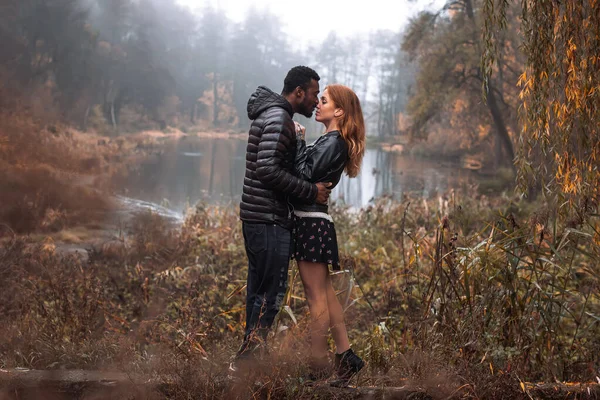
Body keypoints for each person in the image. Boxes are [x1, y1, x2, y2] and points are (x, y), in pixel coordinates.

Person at [234, 66, 332, 368]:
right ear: (299, 92)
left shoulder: (276, 117)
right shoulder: (279, 119)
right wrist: (310, 191)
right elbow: (267, 169)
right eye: (315, 94)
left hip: (259, 218)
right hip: (268, 220)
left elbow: (269, 166)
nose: (316, 102)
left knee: (259, 293)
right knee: (270, 294)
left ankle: (246, 362)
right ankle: (248, 363)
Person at [292, 84, 366, 387]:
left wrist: (298, 141)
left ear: (339, 111)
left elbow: (303, 175)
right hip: (315, 222)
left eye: (324, 101)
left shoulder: (334, 141)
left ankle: (318, 366)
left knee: (315, 298)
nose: (317, 104)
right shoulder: (331, 140)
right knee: (327, 294)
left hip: (310, 223)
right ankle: (346, 355)